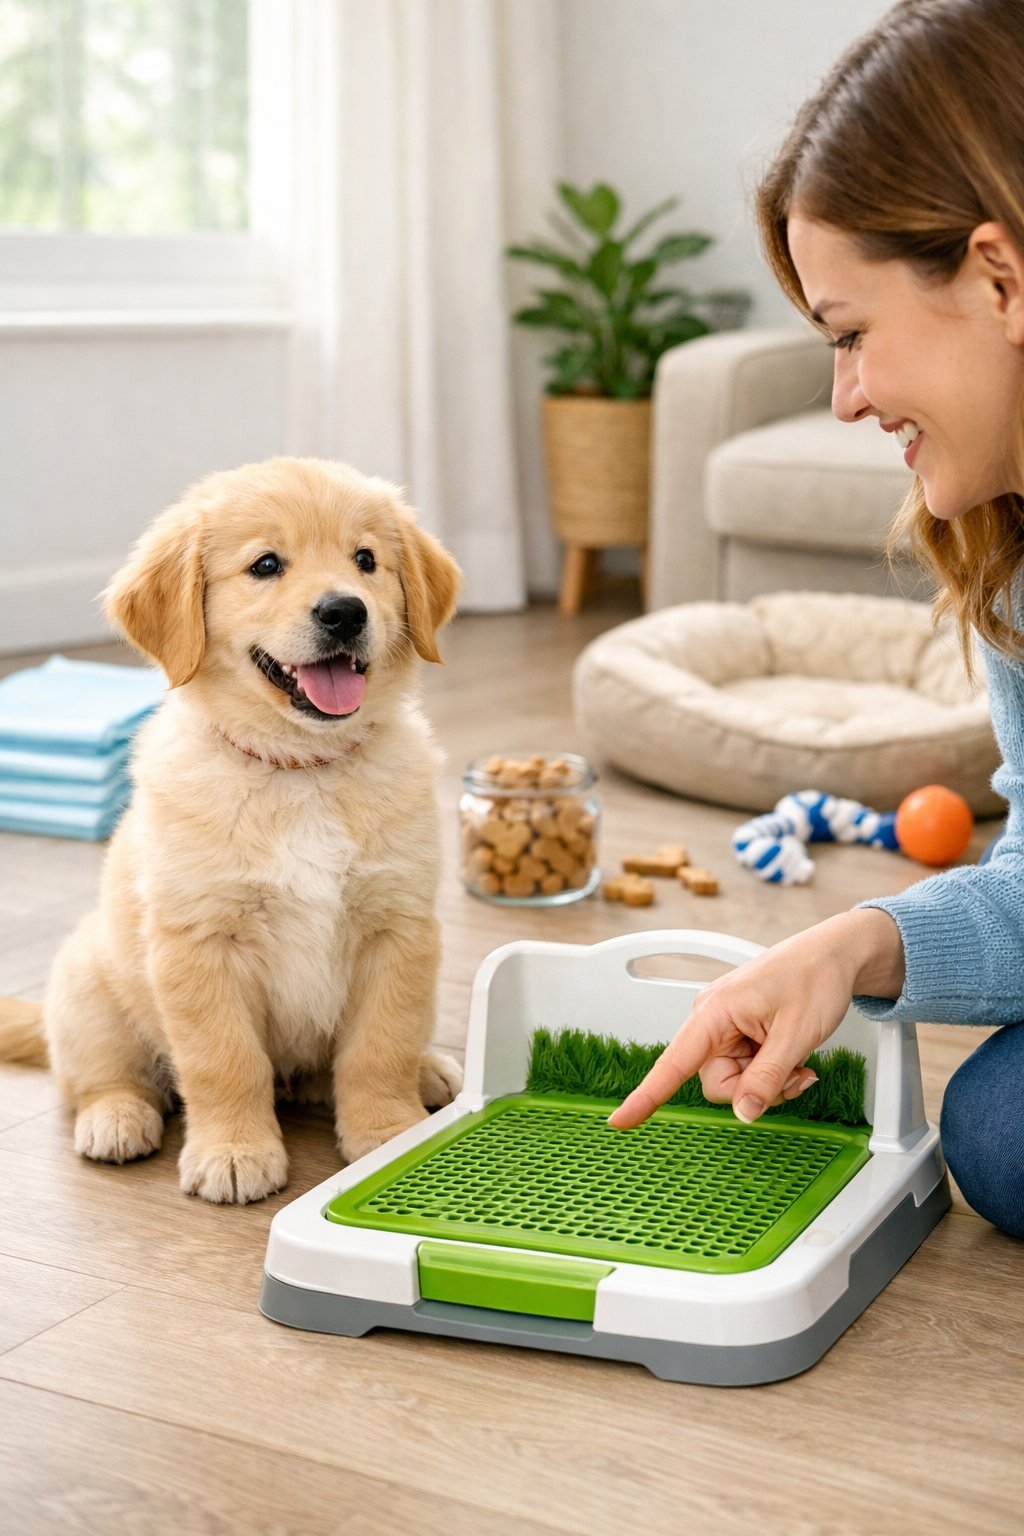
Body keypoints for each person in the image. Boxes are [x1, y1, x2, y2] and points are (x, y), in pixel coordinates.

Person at [608, 0, 1024, 1240]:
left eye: (851, 336)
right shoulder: (1011, 564)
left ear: (998, 276)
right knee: (996, 1130)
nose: (843, 398)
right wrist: (852, 945)